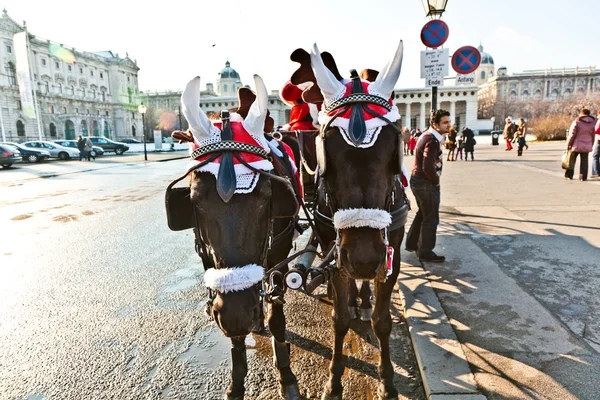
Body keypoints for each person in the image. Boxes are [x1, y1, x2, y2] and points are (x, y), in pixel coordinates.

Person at [405, 109, 451, 263]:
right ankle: (425, 251)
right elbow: (428, 166)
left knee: (423, 214)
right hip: (425, 182)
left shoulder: (427, 135)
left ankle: (412, 243)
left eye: (449, 122)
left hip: (418, 180)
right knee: (431, 217)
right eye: (445, 122)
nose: (448, 125)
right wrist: (435, 181)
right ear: (435, 124)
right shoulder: (432, 140)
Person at [565, 108, 597, 181]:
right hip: (587, 145)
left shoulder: (577, 122)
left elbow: (572, 134)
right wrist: (591, 144)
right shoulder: (593, 123)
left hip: (576, 145)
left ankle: (569, 175)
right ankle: (583, 177)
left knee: (571, 160)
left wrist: (568, 143)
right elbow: (593, 135)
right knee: (584, 162)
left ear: (581, 113)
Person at [592, 111, 600, 178]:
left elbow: (596, 130)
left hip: (599, 139)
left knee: (595, 155)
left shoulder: (599, 121)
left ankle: (595, 172)